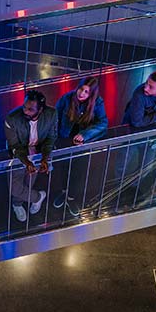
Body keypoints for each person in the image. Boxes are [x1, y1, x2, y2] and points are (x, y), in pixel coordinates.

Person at [116, 68, 156, 201]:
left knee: (147, 165)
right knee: (122, 163)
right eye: (146, 83)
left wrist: (148, 119)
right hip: (131, 132)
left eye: (150, 87)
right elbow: (137, 122)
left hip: (151, 136)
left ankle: (131, 186)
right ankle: (118, 189)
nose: (145, 87)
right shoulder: (139, 94)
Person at [53, 77, 109, 213]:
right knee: (64, 169)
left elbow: (103, 122)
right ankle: (63, 192)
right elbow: (54, 119)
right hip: (64, 139)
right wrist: (54, 141)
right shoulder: (66, 99)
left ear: (91, 94)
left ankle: (71, 198)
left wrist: (85, 134)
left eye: (86, 92)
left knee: (79, 171)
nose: (82, 93)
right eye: (81, 89)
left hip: (82, 144)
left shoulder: (97, 103)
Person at [4, 90, 57, 221]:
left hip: (36, 153)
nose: (25, 111)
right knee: (14, 187)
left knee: (29, 182)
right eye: (24, 107)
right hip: (17, 154)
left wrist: (44, 158)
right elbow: (14, 145)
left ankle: (17, 204)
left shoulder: (51, 114)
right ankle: (38, 197)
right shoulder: (12, 119)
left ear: (40, 110)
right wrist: (26, 162)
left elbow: (51, 138)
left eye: (30, 109)